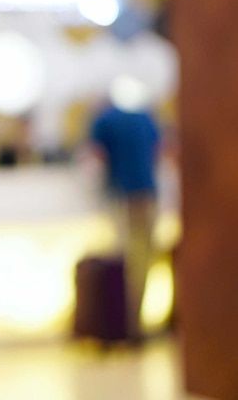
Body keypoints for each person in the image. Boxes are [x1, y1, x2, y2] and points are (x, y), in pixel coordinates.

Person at [89, 80, 161, 341]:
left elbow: (95, 157)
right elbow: (159, 150)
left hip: (123, 196)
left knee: (128, 261)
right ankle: (136, 323)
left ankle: (126, 325)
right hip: (147, 193)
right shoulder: (146, 118)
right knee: (143, 260)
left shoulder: (103, 121)